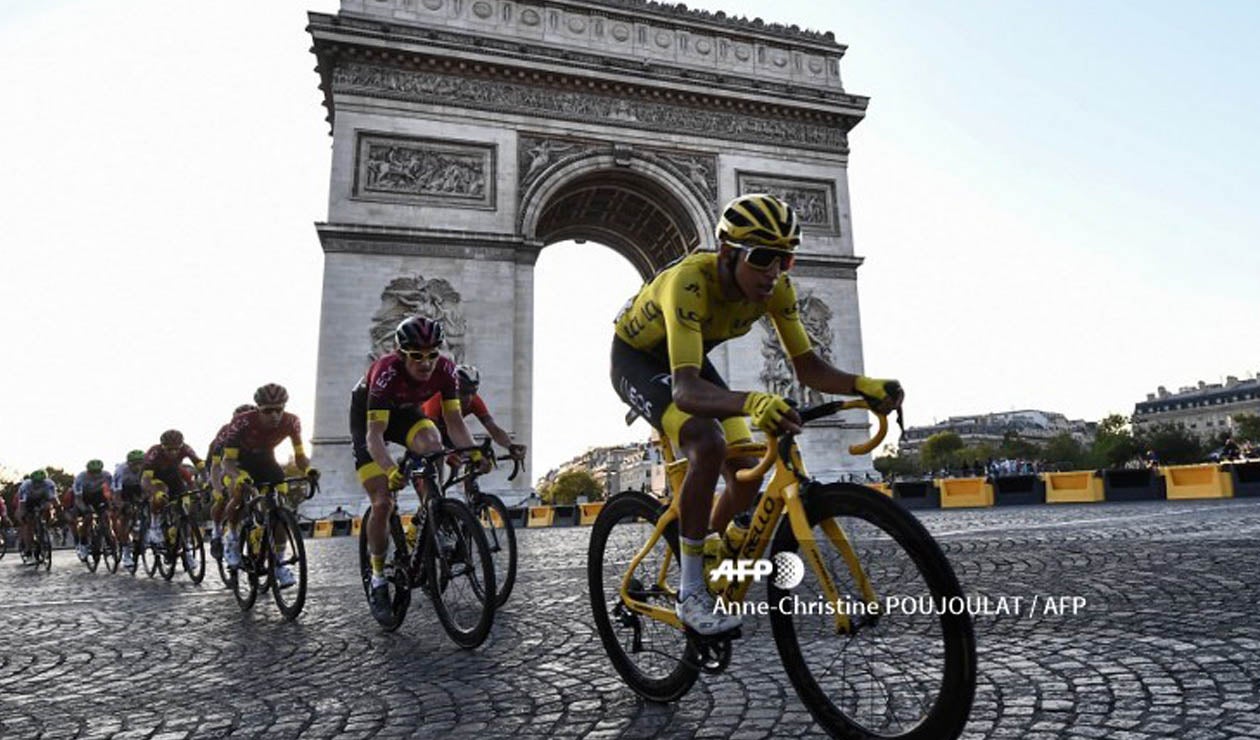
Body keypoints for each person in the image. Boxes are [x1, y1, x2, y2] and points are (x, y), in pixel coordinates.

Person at [610, 193, 904, 635]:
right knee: (707, 444)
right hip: (638, 359)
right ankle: (692, 592)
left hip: (688, 358)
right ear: (728, 254)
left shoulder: (777, 290)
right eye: (763, 257)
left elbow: (808, 367)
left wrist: (861, 384)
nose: (773, 273)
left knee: (745, 474)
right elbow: (688, 391)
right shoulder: (688, 282)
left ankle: (709, 543)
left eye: (784, 260)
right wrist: (753, 401)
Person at [350, 316, 490, 621]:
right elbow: (375, 436)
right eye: (417, 355)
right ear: (402, 354)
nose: (426, 363)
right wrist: (389, 469)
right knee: (383, 501)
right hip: (370, 421)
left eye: (432, 353)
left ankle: (430, 512)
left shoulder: (446, 369)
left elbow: (454, 423)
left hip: (406, 415)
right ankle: (377, 579)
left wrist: (472, 454)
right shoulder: (386, 371)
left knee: (433, 444)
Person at [219, 384, 314, 588]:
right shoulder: (241, 422)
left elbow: (300, 457)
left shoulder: (292, 421)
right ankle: (232, 537)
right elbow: (227, 462)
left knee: (279, 508)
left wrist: (309, 471)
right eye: (268, 411)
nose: (275, 415)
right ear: (257, 408)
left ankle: (279, 563)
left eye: (279, 409)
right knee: (238, 491)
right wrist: (238, 477)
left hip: (267, 462)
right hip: (240, 463)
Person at [421, 364, 527, 483]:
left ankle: (471, 492)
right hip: (427, 431)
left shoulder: (475, 401)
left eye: (473, 392)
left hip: (450, 432)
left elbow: (493, 428)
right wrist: (446, 453)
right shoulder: (437, 398)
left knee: (477, 455)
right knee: (438, 461)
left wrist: (510, 446)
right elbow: (431, 435)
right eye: (464, 392)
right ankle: (437, 491)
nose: (469, 398)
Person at [207, 404, 256, 558]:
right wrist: (216, 488)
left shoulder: (261, 430)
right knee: (226, 495)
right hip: (222, 464)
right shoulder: (226, 432)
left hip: (248, 464)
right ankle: (219, 531)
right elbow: (216, 465)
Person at [141, 429, 204, 547]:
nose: (173, 452)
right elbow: (146, 480)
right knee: (161, 493)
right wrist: (155, 493)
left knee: (183, 501)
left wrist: (206, 481)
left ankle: (185, 543)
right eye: (169, 449)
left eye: (176, 449)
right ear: (162, 446)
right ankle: (155, 525)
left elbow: (200, 465)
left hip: (173, 475)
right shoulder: (154, 452)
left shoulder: (186, 449)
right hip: (153, 476)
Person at [71, 460, 113, 561]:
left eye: (97, 472)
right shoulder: (80, 478)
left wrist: (111, 505)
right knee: (88, 517)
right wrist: (84, 509)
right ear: (88, 471)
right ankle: (83, 543)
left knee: (105, 516)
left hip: (98, 495)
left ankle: (109, 538)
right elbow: (78, 499)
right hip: (84, 497)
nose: (95, 475)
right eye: (92, 472)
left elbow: (111, 492)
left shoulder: (106, 475)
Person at [111, 450, 146, 569]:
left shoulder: (146, 468)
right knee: (125, 516)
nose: (138, 467)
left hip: (138, 487)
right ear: (129, 464)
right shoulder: (121, 470)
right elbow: (116, 493)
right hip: (123, 490)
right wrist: (120, 504)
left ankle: (141, 525)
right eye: (135, 464)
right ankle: (125, 551)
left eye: (140, 463)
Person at [16, 469, 59, 561]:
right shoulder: (25, 486)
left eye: (41, 482)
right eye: (36, 482)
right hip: (28, 501)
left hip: (42, 499)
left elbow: (54, 500)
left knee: (48, 508)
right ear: (32, 481)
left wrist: (56, 509)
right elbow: (22, 504)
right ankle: (28, 550)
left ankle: (45, 530)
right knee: (28, 523)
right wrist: (22, 514)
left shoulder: (49, 484)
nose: (38, 484)